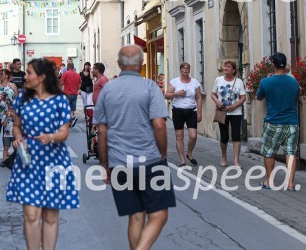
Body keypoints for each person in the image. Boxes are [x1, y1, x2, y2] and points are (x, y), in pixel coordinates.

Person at [94, 45, 175, 250]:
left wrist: (105, 165)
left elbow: (101, 132)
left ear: (120, 64)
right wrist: (163, 154)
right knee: (158, 215)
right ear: (141, 63)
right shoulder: (150, 87)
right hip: (150, 160)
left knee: (136, 216)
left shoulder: (108, 90)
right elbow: (159, 125)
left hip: (119, 163)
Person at [6, 58, 78, 250]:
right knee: (30, 214)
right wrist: (18, 138)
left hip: (55, 160)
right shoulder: (22, 97)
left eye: (29, 73)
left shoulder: (60, 100)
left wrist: (52, 137)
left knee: (50, 215)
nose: (25, 76)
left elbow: (64, 133)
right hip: (27, 159)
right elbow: (16, 126)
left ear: (42, 77)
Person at [257, 52, 301, 191]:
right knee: (291, 152)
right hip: (292, 122)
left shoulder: (266, 82)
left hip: (273, 122)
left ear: (273, 65)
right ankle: (290, 184)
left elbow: (259, 97)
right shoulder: (294, 82)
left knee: (270, 152)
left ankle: (269, 182)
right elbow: (297, 95)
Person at [165, 62, 203, 166]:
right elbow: (166, 95)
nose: (185, 70)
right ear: (180, 70)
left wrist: (199, 113)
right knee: (179, 136)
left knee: (193, 135)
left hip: (191, 110)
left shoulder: (195, 82)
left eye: (187, 68)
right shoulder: (174, 82)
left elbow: (199, 98)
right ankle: (182, 160)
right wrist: (176, 94)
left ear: (189, 70)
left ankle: (189, 153)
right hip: (178, 111)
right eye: (183, 68)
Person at [211, 60, 247, 168]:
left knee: (236, 136)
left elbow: (243, 97)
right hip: (222, 112)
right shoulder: (218, 80)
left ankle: (236, 160)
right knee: (224, 136)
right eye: (225, 67)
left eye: (228, 67)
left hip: (236, 112)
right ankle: (223, 156)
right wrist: (217, 102)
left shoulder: (239, 81)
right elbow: (213, 94)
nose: (226, 68)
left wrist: (234, 106)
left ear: (234, 70)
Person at [59, 61, 81, 128]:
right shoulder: (77, 75)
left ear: (67, 67)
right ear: (73, 67)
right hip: (75, 94)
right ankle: (70, 123)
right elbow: (80, 84)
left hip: (67, 94)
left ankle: (71, 120)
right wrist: (77, 89)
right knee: (72, 109)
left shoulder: (65, 74)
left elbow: (61, 82)